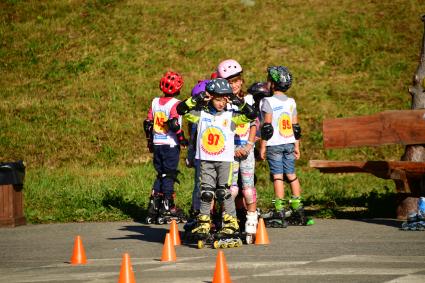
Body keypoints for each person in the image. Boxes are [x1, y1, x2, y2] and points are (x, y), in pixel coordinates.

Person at [177, 78, 257, 241]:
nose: (221, 103)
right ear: (211, 98)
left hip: (225, 161)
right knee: (206, 193)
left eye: (224, 99)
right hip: (206, 160)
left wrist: (238, 101)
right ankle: (204, 222)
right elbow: (181, 110)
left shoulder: (232, 115)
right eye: (217, 99)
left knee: (223, 192)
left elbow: (251, 115)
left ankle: (231, 223)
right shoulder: (201, 115)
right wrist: (197, 99)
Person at [259, 66, 310, 226]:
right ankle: (298, 209)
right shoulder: (291, 102)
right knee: (291, 175)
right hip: (289, 143)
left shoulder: (267, 101)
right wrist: (297, 146)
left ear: (273, 84)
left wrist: (262, 147)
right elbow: (296, 128)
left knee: (278, 176)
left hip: (274, 144)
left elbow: (267, 127)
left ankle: (279, 211)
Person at [217, 59, 258, 243]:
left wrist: (249, 145)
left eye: (236, 81)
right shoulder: (223, 103)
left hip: (247, 149)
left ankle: (251, 222)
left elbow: (254, 123)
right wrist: (230, 149)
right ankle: (229, 223)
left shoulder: (248, 99)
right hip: (229, 151)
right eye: (229, 82)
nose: (233, 85)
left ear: (241, 80)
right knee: (231, 190)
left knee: (247, 190)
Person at [143, 71, 188, 224]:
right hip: (170, 144)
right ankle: (167, 206)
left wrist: (150, 142)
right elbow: (174, 124)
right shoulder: (175, 103)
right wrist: (182, 139)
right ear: (179, 88)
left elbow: (148, 124)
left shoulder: (155, 101)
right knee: (169, 174)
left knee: (160, 174)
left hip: (157, 143)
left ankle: (154, 205)